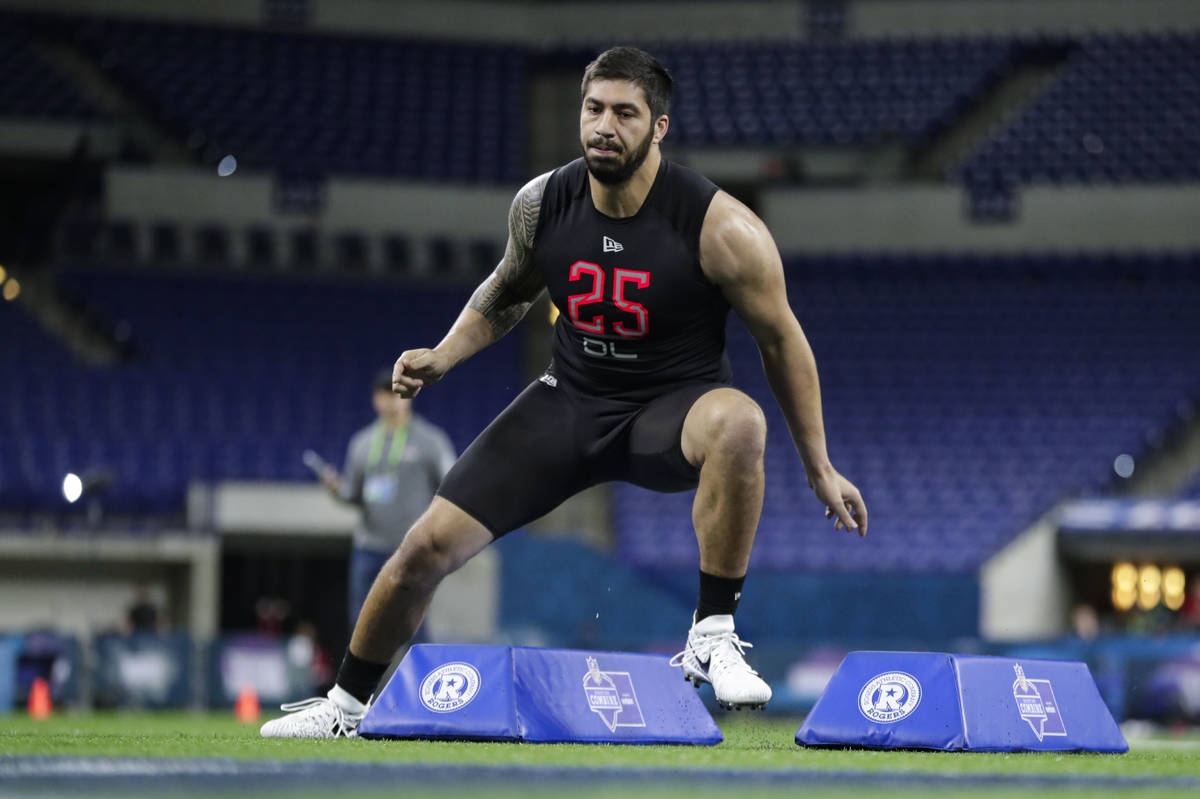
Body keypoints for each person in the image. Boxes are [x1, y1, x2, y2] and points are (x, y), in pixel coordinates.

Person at [262, 46, 867, 738]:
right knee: (424, 547)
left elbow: (783, 341)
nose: (604, 126)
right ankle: (345, 707)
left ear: (659, 127)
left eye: (625, 113)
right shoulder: (542, 201)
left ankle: (712, 630)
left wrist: (819, 466)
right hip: (569, 402)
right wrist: (444, 355)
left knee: (741, 422)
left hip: (669, 411)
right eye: (593, 108)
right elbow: (508, 290)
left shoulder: (722, 228)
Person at [320, 370, 457, 632]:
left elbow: (450, 484)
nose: (392, 401)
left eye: (397, 394)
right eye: (385, 395)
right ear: (375, 400)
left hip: (411, 549)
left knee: (414, 625)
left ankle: (418, 674)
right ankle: (369, 676)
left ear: (410, 396)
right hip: (369, 547)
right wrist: (336, 490)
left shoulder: (430, 440)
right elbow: (354, 496)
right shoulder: (362, 443)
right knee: (362, 626)